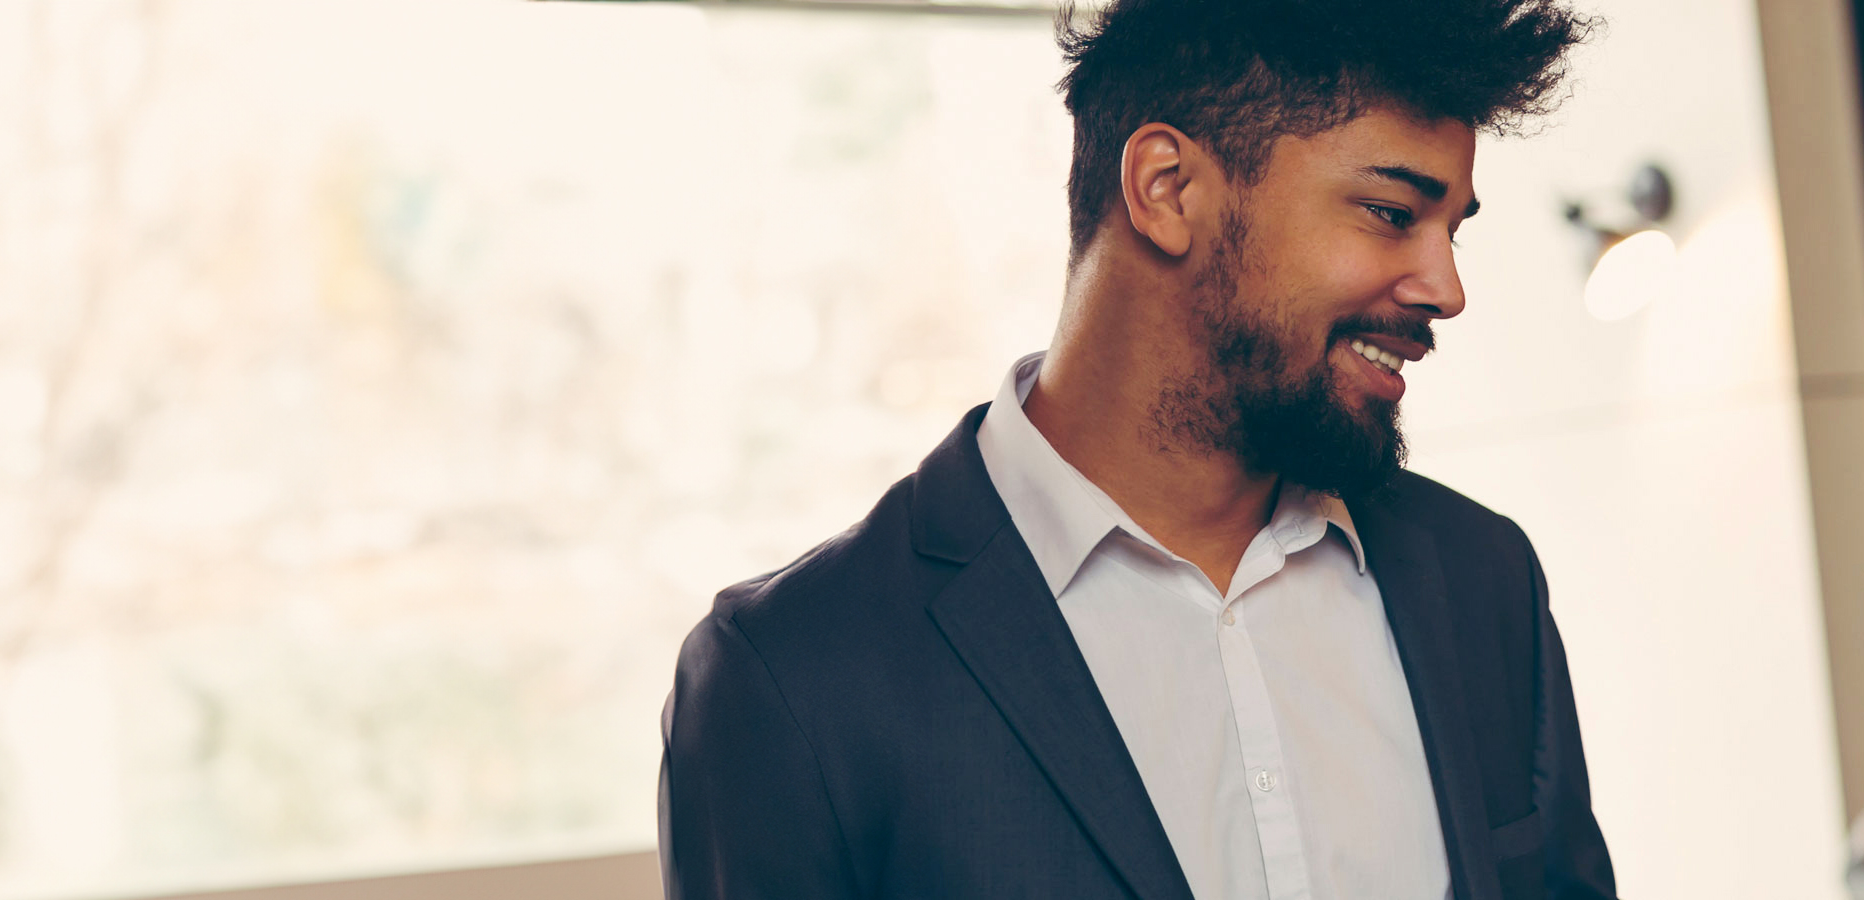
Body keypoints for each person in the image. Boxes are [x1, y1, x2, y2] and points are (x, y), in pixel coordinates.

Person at [656, 2, 1614, 898]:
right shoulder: (792, 676)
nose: (1447, 289)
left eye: (1453, 229)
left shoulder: (1484, 581)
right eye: (1392, 213)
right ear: (1167, 189)